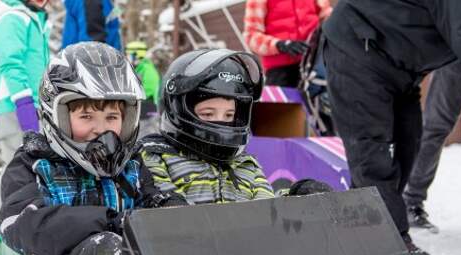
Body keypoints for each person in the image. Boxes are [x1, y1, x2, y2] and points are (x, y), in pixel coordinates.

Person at [0, 42, 186, 255]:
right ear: (57, 116)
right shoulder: (33, 163)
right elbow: (21, 225)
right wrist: (109, 221)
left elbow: (149, 198)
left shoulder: (130, 165)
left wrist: (171, 209)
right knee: (105, 248)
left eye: (112, 117)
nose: (100, 129)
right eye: (86, 117)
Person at [322, 0, 461, 255]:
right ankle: (389, 242)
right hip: (357, 48)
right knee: (373, 153)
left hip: (399, 66)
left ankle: (366, 225)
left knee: (409, 143)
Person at [140, 49, 275, 204]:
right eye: (208, 114)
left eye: (229, 115)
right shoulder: (156, 156)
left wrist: (291, 198)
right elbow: (156, 196)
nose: (220, 122)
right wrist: (169, 204)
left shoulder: (246, 164)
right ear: (177, 108)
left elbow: (267, 210)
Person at [0, 0, 51, 219]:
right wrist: (23, 104)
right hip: (13, 103)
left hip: (34, 103)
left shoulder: (35, 20)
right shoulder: (13, 18)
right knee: (17, 163)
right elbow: (10, 63)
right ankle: (3, 222)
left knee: (27, 161)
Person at [404, 61, 461, 233]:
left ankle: (411, 200)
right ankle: (411, 201)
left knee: (434, 127)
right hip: (458, 51)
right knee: (435, 126)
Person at [243, 0, 332, 87]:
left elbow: (328, 18)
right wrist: (279, 45)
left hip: (315, 62)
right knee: (281, 101)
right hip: (280, 69)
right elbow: (251, 36)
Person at [125, 41, 161, 106]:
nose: (127, 57)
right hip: (138, 105)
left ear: (135, 55)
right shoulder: (136, 69)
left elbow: (149, 93)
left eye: (128, 54)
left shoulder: (148, 70)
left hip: (148, 108)